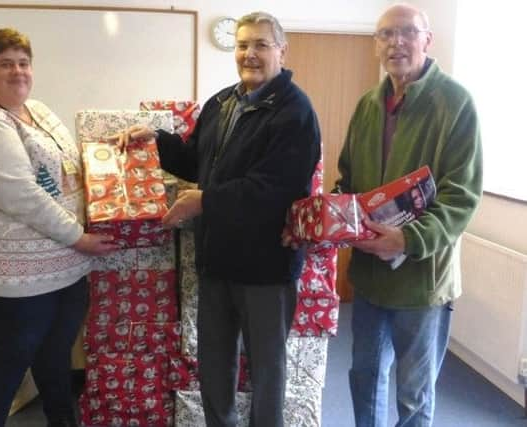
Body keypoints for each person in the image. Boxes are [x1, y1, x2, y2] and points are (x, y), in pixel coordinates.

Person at [119, 11, 320, 427]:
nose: (250, 54)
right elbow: (197, 161)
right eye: (243, 45)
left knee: (266, 369)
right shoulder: (222, 102)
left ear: (282, 50)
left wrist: (205, 202)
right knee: (215, 363)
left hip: (266, 267)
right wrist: (156, 140)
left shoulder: (295, 111)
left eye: (261, 45)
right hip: (217, 262)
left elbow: (274, 189)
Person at [0, 28, 118, 427]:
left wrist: (113, 151)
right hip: (17, 273)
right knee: (10, 356)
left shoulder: (41, 112)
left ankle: (62, 420)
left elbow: (71, 168)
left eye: (23, 63)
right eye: (5, 64)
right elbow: (21, 195)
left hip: (66, 263)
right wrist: (79, 237)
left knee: (57, 351)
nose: (17, 72)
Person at [335, 4, 482, 427]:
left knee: (414, 394)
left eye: (406, 33)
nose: (395, 42)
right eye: (385, 35)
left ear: (426, 39)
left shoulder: (455, 103)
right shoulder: (367, 105)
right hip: (368, 276)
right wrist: (335, 213)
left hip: (421, 280)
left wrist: (408, 240)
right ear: (376, 44)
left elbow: (462, 196)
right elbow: (350, 179)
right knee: (363, 379)